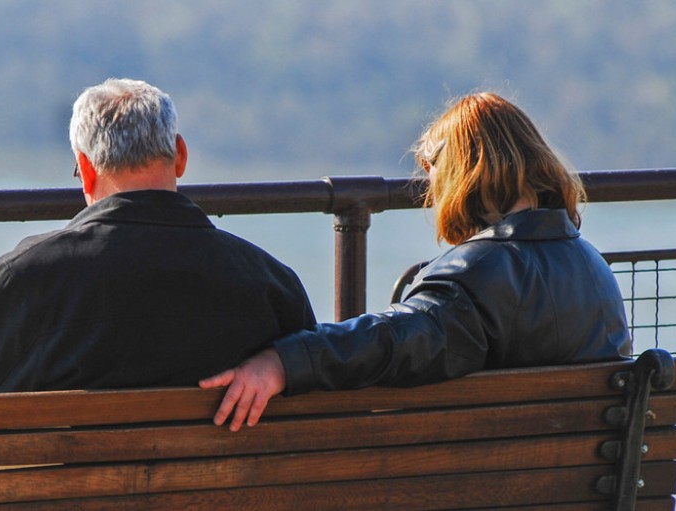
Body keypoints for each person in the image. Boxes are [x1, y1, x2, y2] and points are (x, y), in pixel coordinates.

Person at [200, 92, 632, 431]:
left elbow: (392, 341)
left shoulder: (477, 275)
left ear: (461, 177)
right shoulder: (593, 268)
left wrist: (284, 362)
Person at [0, 78, 315, 394]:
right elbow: (310, 386)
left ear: (86, 169)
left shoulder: (32, 277)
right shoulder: (270, 283)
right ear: (181, 156)